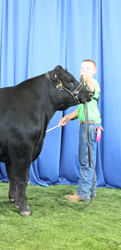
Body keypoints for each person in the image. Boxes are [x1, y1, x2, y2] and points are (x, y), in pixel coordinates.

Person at [60, 59, 101, 201]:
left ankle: (83, 193)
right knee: (89, 160)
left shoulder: (92, 84)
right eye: (82, 68)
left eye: (88, 68)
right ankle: (90, 190)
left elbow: (91, 88)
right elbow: (80, 111)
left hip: (89, 126)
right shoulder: (84, 93)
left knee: (86, 160)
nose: (84, 70)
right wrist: (67, 118)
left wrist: (87, 78)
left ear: (94, 72)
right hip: (88, 125)